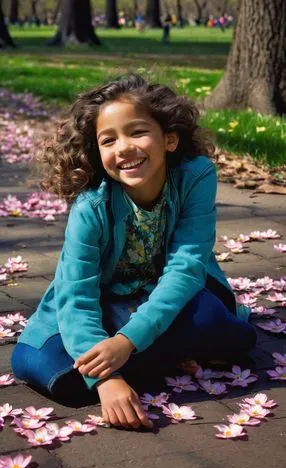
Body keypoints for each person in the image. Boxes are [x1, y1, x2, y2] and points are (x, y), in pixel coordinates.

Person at [11, 74, 256, 430]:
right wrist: (106, 380)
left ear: (169, 139)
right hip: (106, 307)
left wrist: (126, 342)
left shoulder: (196, 176)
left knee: (216, 323)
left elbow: (186, 269)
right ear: (97, 153)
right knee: (36, 360)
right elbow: (77, 296)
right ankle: (159, 356)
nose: (123, 147)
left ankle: (146, 352)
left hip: (172, 298)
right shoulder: (91, 206)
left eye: (137, 132)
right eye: (108, 140)